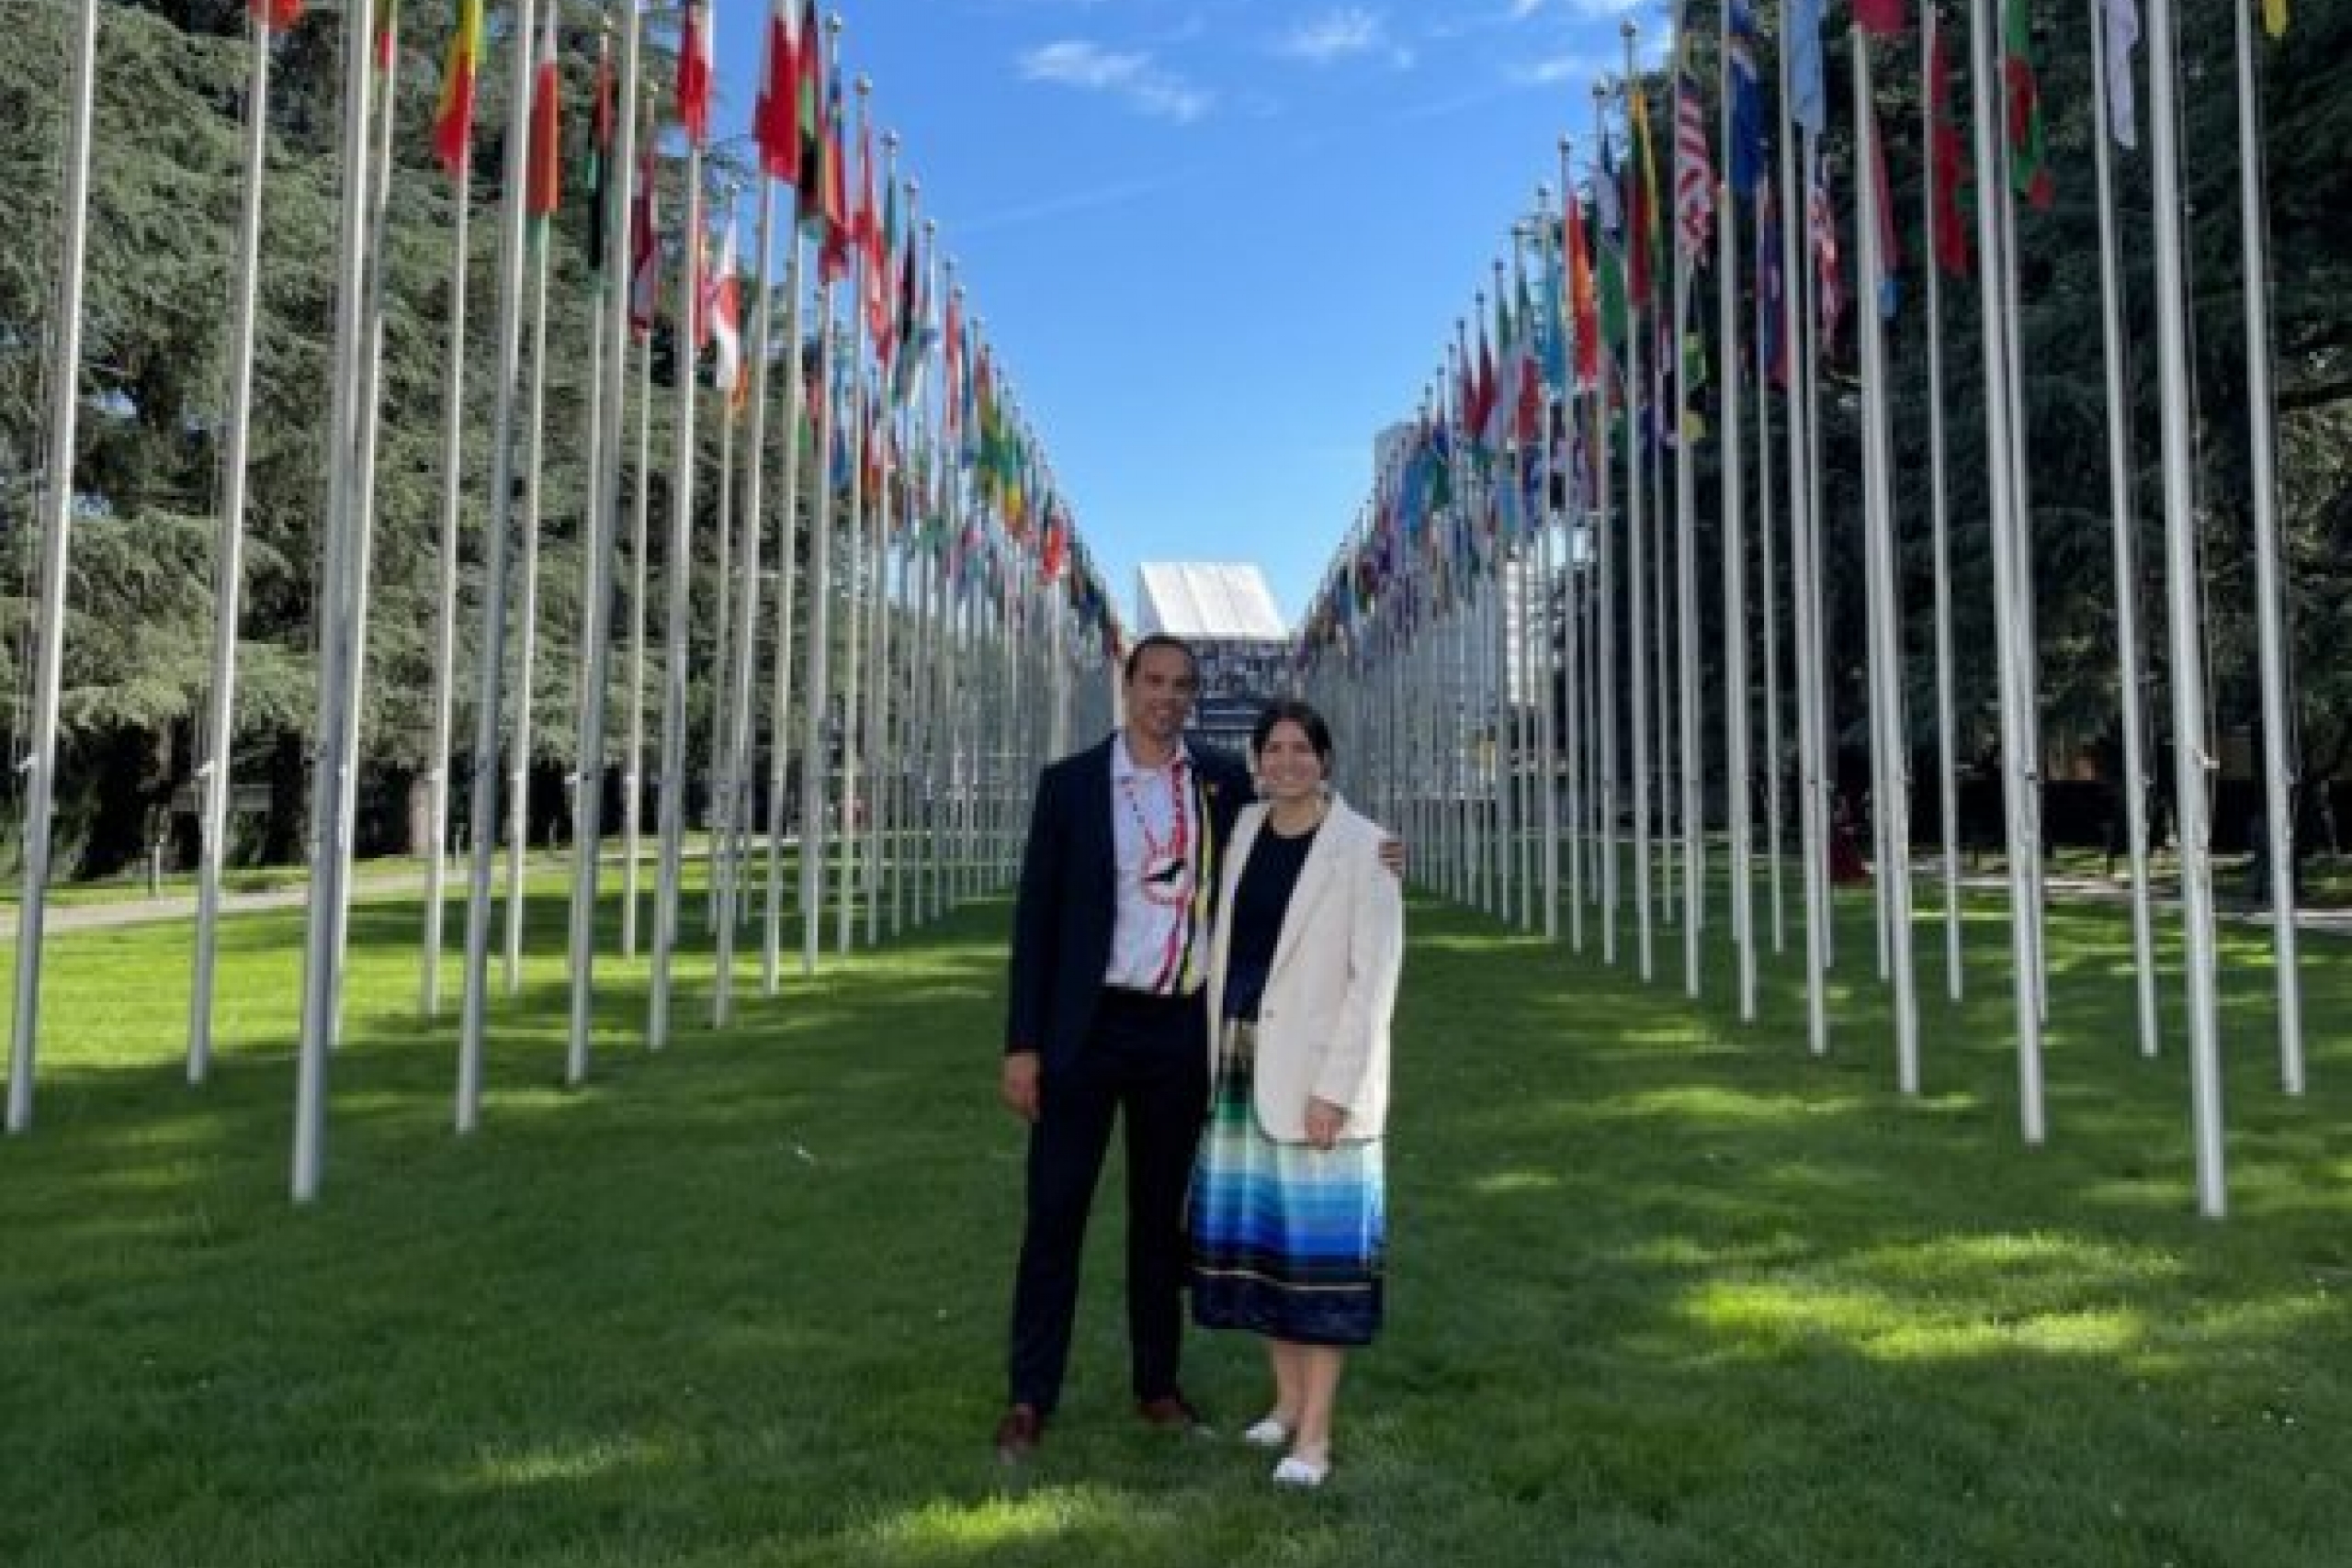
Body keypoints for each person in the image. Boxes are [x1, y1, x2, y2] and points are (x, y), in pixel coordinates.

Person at [994, 635, 1252, 1461]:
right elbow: (1036, 921)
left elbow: (1290, 842)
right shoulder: (1070, 785)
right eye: (1154, 681)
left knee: (1158, 1220)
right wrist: (1023, 1045)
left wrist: (1373, 851)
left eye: (1182, 685)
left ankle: (1157, 1385)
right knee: (1055, 1213)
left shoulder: (1223, 781)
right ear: (1128, 685)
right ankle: (1030, 1395)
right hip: (1085, 1029)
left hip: (1177, 1028)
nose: (1166, 697)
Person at [1188, 699, 1403, 1490]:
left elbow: (1373, 985)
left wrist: (1335, 1091)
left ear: (1325, 758)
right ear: (1256, 760)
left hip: (1319, 1082)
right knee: (1266, 1252)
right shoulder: (1242, 828)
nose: (1285, 761)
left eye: (1300, 748)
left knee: (1319, 1264)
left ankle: (1314, 1436)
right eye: (1272, 748)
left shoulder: (1368, 847)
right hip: (1240, 1067)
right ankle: (1283, 1402)